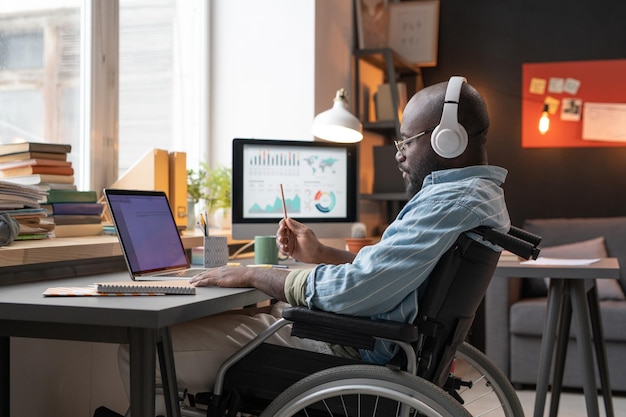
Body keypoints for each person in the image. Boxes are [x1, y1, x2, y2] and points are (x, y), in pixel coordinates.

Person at [117, 77, 510, 405]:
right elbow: (389, 277)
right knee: (242, 318)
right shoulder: (471, 196)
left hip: (352, 352)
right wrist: (321, 254)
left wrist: (255, 274)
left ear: (448, 140)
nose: (400, 156)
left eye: (406, 142)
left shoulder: (451, 201)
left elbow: (357, 290)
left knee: (143, 349)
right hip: (366, 342)